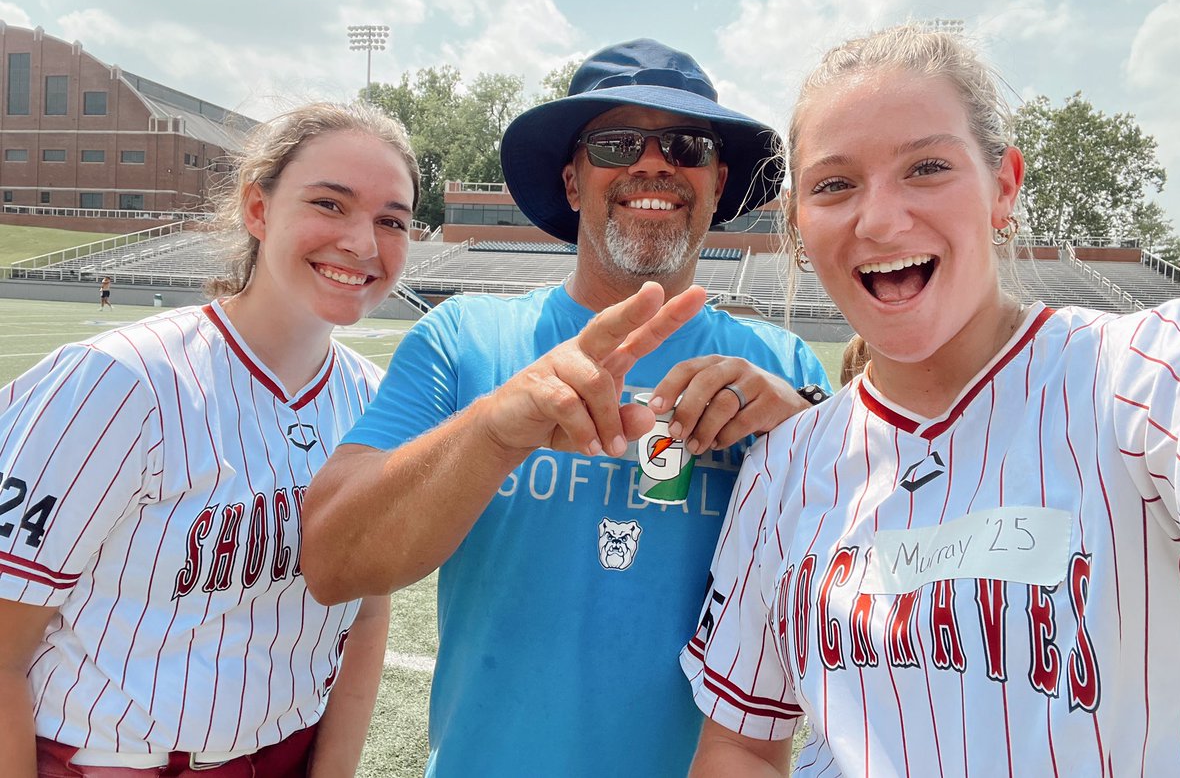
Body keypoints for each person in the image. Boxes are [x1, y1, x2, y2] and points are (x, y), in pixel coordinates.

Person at [301, 38, 830, 777]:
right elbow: (331, 559)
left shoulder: (786, 369)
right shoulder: (465, 339)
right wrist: (492, 429)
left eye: (686, 145)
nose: (654, 164)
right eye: (616, 143)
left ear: (716, 183)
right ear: (574, 181)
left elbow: (872, 599)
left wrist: (802, 423)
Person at [683, 24, 1180, 776]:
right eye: (834, 184)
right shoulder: (781, 470)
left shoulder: (1145, 374)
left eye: (927, 167)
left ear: (1004, 186)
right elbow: (741, 743)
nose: (882, 220)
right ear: (798, 222)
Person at [0, 101, 419, 777]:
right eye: (330, 204)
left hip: (288, 754)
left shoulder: (376, 402)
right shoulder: (120, 381)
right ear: (258, 210)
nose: (363, 242)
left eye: (391, 220)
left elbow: (366, 616)